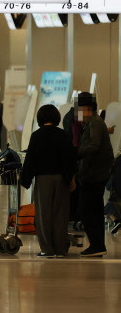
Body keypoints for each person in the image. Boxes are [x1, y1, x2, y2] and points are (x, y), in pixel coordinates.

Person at [20, 105, 77, 258]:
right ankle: (60, 249)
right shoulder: (63, 135)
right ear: (56, 118)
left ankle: (47, 249)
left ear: (40, 118)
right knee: (61, 214)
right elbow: (69, 158)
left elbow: (30, 159)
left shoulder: (37, 136)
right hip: (61, 179)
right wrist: (71, 177)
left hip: (43, 179)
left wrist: (25, 179)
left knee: (43, 214)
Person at [76, 92, 114, 257]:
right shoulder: (93, 122)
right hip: (94, 173)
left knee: (86, 209)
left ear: (85, 108)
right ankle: (98, 244)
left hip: (95, 174)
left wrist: (76, 153)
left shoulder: (95, 123)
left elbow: (94, 145)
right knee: (94, 210)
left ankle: (97, 245)